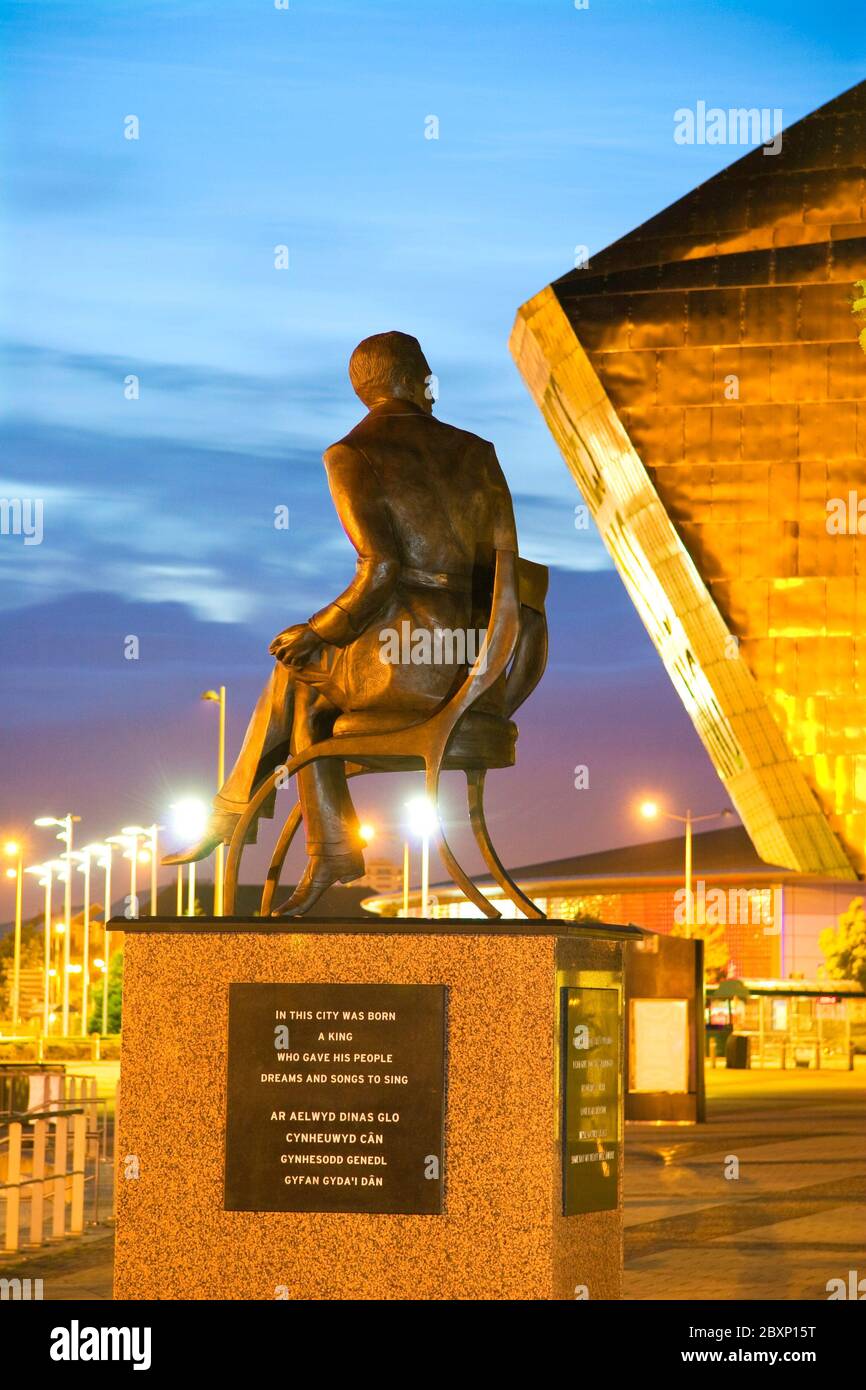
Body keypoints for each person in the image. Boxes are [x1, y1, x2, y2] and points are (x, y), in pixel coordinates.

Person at [164, 330, 518, 915]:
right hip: (486, 661)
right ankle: (295, 835)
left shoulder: (352, 454)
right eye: (427, 373)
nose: (433, 385)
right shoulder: (477, 450)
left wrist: (318, 630)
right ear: (404, 378)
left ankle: (264, 823)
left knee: (297, 673)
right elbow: (508, 570)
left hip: (414, 663)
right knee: (306, 690)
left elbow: (381, 569)